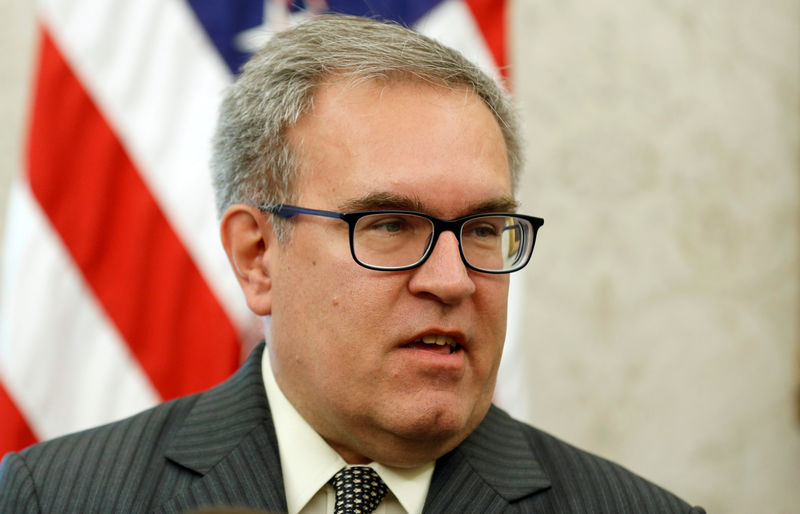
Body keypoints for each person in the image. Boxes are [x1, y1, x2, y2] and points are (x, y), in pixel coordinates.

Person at [0, 14, 704, 514]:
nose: (454, 280)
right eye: (392, 225)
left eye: (485, 228)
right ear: (257, 256)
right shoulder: (51, 497)